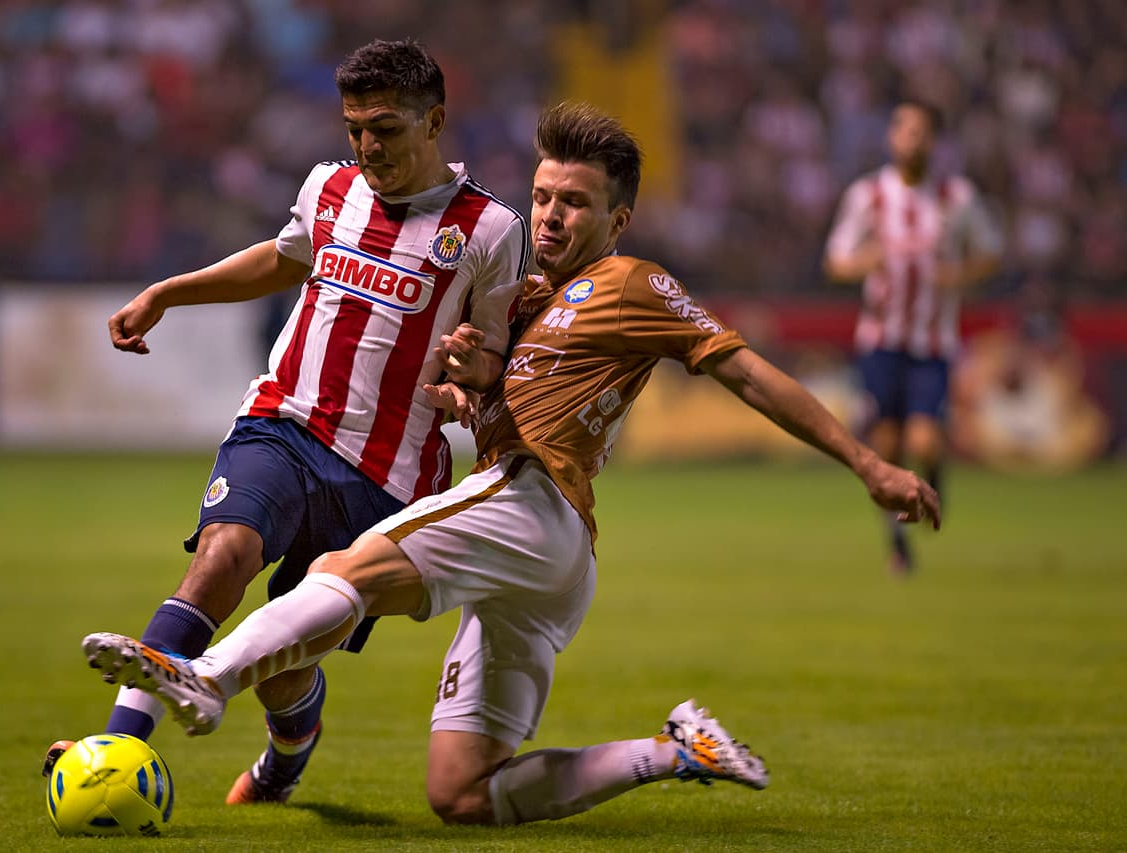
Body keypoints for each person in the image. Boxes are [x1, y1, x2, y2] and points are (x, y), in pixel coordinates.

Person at [82, 102, 940, 826]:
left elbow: (747, 373)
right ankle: (670, 750)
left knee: (351, 566)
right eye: (542, 197)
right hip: (548, 563)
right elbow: (506, 385)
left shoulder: (634, 286)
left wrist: (868, 463)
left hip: (533, 502)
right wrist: (473, 385)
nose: (552, 216)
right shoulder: (524, 297)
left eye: (575, 202)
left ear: (618, 221)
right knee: (459, 792)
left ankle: (204, 680)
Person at [47, 38, 529, 808]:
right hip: (283, 423)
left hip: (385, 476)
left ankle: (287, 753)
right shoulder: (329, 189)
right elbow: (283, 258)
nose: (368, 146)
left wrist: (475, 382)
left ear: (434, 120)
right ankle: (116, 749)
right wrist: (169, 291)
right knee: (222, 556)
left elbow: (498, 356)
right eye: (354, 129)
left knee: (284, 660)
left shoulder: (490, 232)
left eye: (386, 128)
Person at [823, 99, 1001, 575]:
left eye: (920, 131)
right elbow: (836, 259)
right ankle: (898, 544)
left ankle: (935, 478)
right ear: (891, 137)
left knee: (924, 442)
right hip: (880, 340)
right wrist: (868, 261)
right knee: (887, 444)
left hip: (932, 342)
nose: (911, 139)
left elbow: (990, 252)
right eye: (903, 129)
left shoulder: (956, 197)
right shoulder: (868, 195)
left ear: (934, 141)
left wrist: (957, 275)